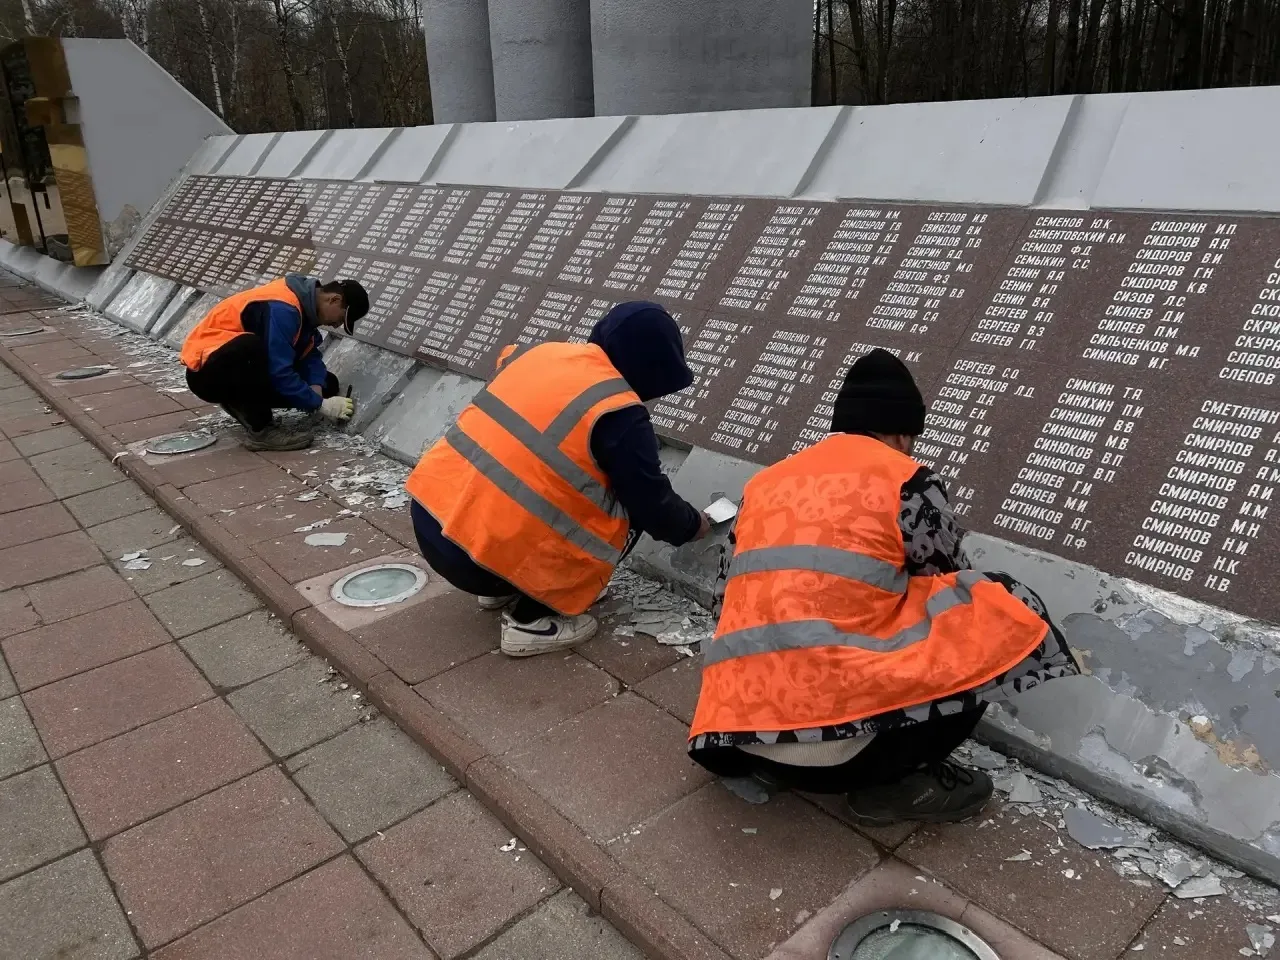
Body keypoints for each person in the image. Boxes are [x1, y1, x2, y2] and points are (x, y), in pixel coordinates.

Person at [688, 349, 1079, 825]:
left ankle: (780, 760)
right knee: (992, 605)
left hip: (731, 736)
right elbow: (948, 578)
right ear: (901, 433)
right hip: (843, 757)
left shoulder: (766, 482)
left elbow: (723, 599)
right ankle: (898, 785)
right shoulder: (907, 481)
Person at [405, 300, 712, 657]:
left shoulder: (540, 354)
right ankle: (532, 619)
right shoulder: (619, 412)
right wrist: (693, 526)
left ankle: (502, 585)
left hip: (431, 521)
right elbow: (652, 504)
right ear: (652, 369)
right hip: (479, 563)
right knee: (625, 509)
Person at [181, 274, 369, 451]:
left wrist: (316, 388)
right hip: (207, 373)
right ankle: (261, 430)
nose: (337, 325)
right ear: (334, 299)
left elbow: (308, 353)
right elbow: (279, 370)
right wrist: (320, 405)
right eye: (341, 318)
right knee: (250, 347)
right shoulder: (284, 308)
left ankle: (239, 402)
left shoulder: (304, 307)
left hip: (236, 369)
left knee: (328, 383)